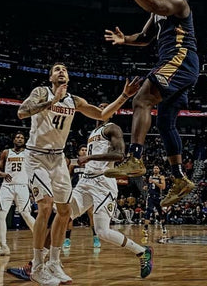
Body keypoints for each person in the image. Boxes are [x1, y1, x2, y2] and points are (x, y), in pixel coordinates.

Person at [17, 62, 139, 286]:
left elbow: (102, 113)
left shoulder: (75, 101)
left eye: (64, 69)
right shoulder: (41, 92)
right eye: (56, 69)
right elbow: (22, 112)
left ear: (68, 78)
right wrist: (50, 102)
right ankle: (37, 266)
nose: (61, 71)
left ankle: (54, 262)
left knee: (65, 212)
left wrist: (123, 96)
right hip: (36, 156)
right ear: (51, 77)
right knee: (45, 205)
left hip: (58, 158)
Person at [103, 0, 199, 207]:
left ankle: (135, 157)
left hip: (180, 57)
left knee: (141, 100)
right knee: (165, 123)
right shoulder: (158, 12)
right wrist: (125, 39)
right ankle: (179, 178)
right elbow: (145, 38)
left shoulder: (177, 1)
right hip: (177, 63)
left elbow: (155, 5)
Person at [70, 103, 153, 279]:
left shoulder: (112, 128)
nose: (101, 109)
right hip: (86, 180)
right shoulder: (92, 133)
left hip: (103, 182)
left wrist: (89, 157)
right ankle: (43, 263)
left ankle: (142, 251)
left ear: (110, 113)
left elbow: (119, 155)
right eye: (98, 107)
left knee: (102, 231)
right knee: (63, 215)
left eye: (105, 107)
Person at [0, 132, 35, 257]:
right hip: (7, 186)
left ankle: (41, 239)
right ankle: (4, 246)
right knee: (1, 214)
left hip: (22, 185)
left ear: (25, 141)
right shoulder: (6, 152)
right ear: (13, 139)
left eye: (22, 137)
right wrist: (3, 174)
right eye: (17, 137)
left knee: (26, 214)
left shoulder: (28, 153)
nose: (19, 139)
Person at [64, 145, 101, 249]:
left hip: (88, 191)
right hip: (76, 190)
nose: (84, 152)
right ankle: (67, 239)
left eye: (86, 150)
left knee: (91, 214)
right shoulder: (73, 164)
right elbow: (67, 177)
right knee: (70, 216)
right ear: (78, 152)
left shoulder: (91, 164)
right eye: (82, 150)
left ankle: (95, 237)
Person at [142, 165, 167, 237]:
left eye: (157, 168)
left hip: (158, 197)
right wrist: (146, 187)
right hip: (150, 197)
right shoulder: (150, 176)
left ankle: (163, 226)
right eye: (154, 168)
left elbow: (163, 187)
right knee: (148, 211)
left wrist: (154, 182)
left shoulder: (161, 177)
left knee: (160, 213)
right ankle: (145, 229)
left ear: (159, 170)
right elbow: (150, 186)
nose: (155, 169)